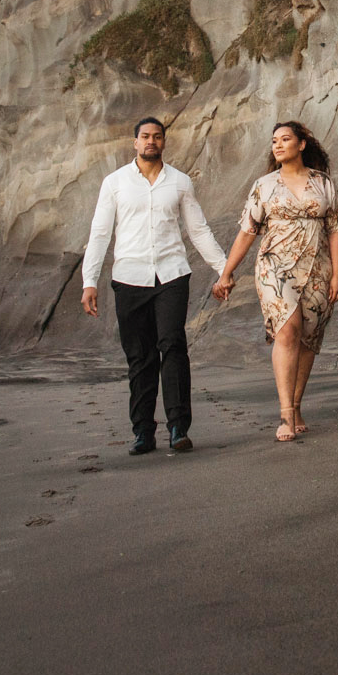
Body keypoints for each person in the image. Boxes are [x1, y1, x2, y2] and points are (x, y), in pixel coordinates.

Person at [82, 116, 227, 455]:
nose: (151, 141)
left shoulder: (179, 182)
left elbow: (199, 230)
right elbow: (100, 233)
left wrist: (224, 269)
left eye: (157, 137)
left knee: (173, 346)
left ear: (164, 142)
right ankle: (143, 432)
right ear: (135, 142)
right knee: (140, 357)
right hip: (129, 279)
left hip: (172, 274)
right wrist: (90, 281)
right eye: (145, 136)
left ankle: (178, 427)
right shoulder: (114, 182)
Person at [215, 120, 338, 442]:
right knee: (287, 332)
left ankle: (297, 404)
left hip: (317, 269)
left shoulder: (323, 183)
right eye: (274, 140)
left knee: (308, 337)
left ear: (301, 145)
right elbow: (247, 231)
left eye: (285, 139)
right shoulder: (264, 185)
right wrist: (227, 271)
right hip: (275, 268)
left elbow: (335, 230)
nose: (277, 145)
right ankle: (285, 414)